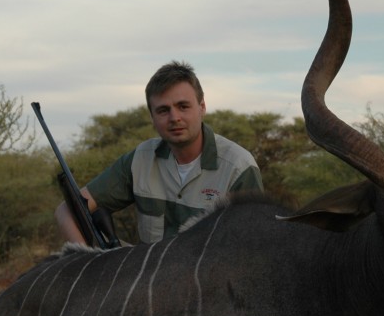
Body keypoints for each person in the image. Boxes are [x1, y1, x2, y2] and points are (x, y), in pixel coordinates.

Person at [55, 61, 263, 244]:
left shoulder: (239, 167)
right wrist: (89, 258)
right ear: (152, 117)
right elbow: (66, 210)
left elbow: (253, 246)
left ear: (202, 107)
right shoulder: (140, 159)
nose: (174, 118)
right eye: (163, 110)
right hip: (149, 274)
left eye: (183, 106)